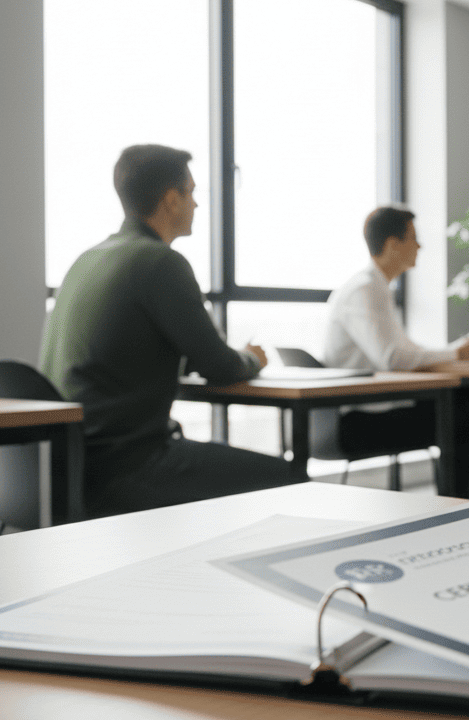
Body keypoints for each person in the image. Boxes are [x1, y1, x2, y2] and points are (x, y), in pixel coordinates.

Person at [41, 144, 302, 517]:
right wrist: (252, 358)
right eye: (191, 192)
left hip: (73, 467)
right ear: (170, 200)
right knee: (288, 476)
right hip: (128, 469)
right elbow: (223, 367)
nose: (196, 203)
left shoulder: (87, 259)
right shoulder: (161, 263)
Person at [323, 206, 469, 496]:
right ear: (394, 245)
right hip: (354, 423)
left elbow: (404, 352)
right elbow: (394, 359)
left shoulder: (373, 288)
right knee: (459, 411)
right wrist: (457, 353)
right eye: (414, 238)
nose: (419, 246)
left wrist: (454, 352)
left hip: (370, 409)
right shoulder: (365, 290)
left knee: (462, 396)